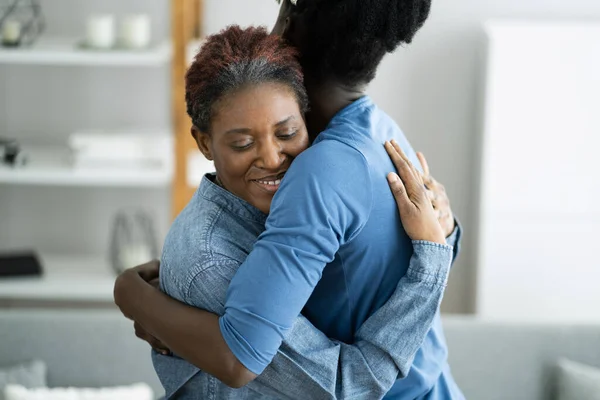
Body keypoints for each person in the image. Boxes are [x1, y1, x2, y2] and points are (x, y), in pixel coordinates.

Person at [116, 0, 464, 398]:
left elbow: (240, 354)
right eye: (244, 142)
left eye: (284, 133)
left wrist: (132, 296)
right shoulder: (379, 128)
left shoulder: (320, 171)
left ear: (293, 19)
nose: (269, 156)